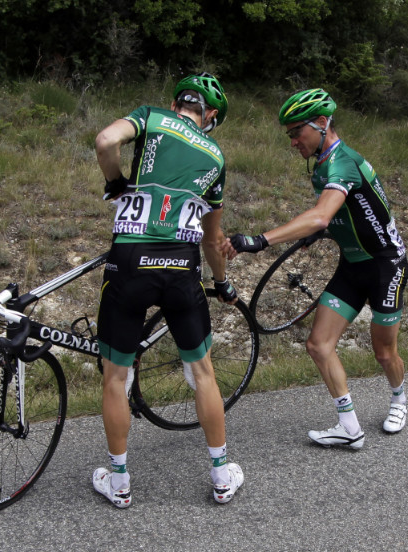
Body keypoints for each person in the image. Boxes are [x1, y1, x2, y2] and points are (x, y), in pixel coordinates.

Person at [222, 88, 408, 450]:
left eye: (297, 131)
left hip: (386, 265)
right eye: (289, 134)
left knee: (385, 353)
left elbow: (322, 212)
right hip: (353, 264)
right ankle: (349, 426)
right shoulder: (323, 165)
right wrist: (324, 231)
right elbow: (341, 212)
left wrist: (260, 240)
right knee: (318, 344)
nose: (292, 141)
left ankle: (399, 399)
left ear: (322, 123)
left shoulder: (342, 162)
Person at [92, 72, 244, 508]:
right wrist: (222, 282)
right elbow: (212, 241)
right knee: (202, 373)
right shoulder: (215, 154)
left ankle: (119, 483)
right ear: (210, 114)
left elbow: (105, 141)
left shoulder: (151, 118)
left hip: (130, 265)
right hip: (181, 268)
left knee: (116, 377)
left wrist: (116, 182)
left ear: (179, 102)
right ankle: (220, 477)